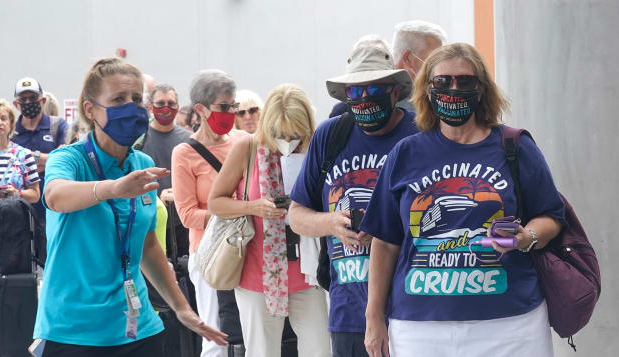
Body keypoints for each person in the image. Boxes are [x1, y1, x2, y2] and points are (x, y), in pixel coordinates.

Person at [361, 43, 565, 357]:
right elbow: (385, 243)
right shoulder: (405, 153)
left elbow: (551, 215)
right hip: (420, 328)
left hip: (511, 325)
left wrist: (527, 237)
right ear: (427, 91)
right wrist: (373, 318)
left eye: (465, 81)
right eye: (442, 82)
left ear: (481, 90)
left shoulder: (514, 146)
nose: (453, 89)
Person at [34, 57, 227, 356]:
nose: (131, 106)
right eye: (118, 99)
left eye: (137, 99)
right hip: (73, 332)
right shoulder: (69, 159)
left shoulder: (142, 164)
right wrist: (114, 188)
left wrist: (181, 308)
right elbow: (55, 196)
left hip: (138, 328)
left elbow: (148, 246)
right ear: (90, 109)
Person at [288, 44, 419, 357]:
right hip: (349, 310)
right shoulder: (331, 135)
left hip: (414, 306)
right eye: (354, 92)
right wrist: (332, 222)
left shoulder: (419, 134)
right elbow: (296, 214)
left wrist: (387, 227)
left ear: (395, 91)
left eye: (374, 88)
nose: (363, 98)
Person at [209, 83, 330, 357]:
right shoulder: (248, 148)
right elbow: (216, 202)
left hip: (308, 270)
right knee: (262, 352)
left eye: (295, 134)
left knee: (320, 349)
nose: (288, 141)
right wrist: (253, 207)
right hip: (258, 271)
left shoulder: (317, 148)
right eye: (280, 134)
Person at [172, 69, 246, 357]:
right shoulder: (185, 152)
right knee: (216, 338)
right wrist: (234, 212)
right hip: (210, 254)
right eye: (223, 107)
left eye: (233, 106)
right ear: (201, 110)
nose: (230, 113)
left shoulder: (243, 141)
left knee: (250, 330)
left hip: (246, 248)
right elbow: (187, 214)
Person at [0, 99, 40, 280]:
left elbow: (35, 195)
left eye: (4, 118)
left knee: (9, 283)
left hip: (14, 230)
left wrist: (16, 194)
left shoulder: (24, 155)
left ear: (11, 125)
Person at [137, 84, 192, 255]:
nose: (166, 108)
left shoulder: (188, 139)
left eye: (171, 103)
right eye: (160, 104)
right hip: (148, 220)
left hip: (182, 223)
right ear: (150, 106)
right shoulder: (138, 139)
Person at [11, 77, 69, 224]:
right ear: (16, 104)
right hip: (19, 211)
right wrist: (47, 160)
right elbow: (9, 167)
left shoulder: (57, 126)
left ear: (42, 101)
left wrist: (29, 157)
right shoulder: (11, 132)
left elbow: (63, 160)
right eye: (23, 99)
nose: (28, 102)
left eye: (33, 98)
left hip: (52, 208)